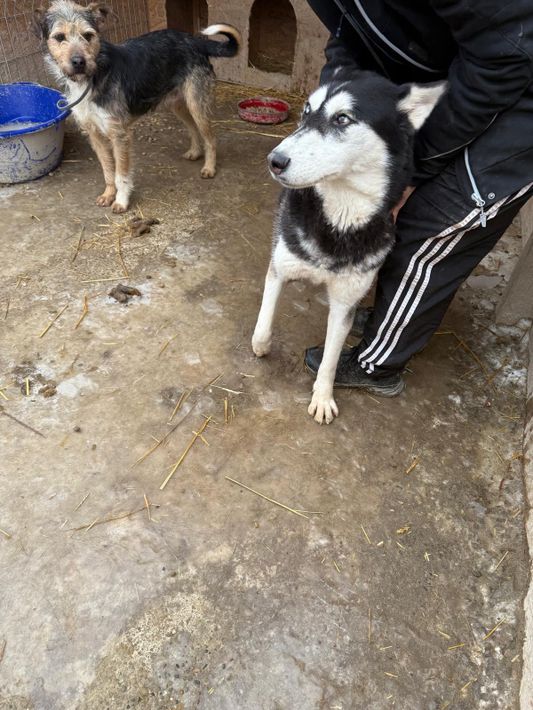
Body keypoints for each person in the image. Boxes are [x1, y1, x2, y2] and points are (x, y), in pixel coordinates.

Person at [304, 0, 533, 396]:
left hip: (519, 98)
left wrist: (410, 170)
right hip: (470, 69)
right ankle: (390, 315)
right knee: (391, 206)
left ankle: (378, 365)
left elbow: (505, 57)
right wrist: (329, 104)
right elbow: (349, 31)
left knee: (430, 229)